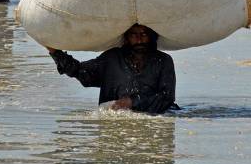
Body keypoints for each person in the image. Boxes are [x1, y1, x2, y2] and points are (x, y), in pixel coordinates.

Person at [47, 24, 178, 114]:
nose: (139, 40)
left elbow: (166, 98)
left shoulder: (164, 61)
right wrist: (54, 52)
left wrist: (132, 102)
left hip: (156, 119)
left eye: (144, 34)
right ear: (126, 38)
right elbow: (81, 72)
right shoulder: (112, 58)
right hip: (115, 117)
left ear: (151, 37)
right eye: (133, 35)